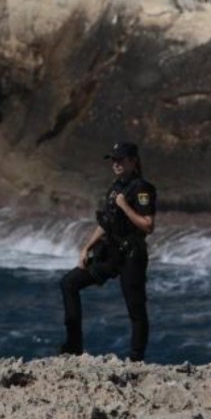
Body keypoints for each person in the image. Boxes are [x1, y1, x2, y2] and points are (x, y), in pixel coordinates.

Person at [60, 141, 157, 362]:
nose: (116, 164)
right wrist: (87, 247)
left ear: (133, 161)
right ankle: (73, 346)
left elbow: (148, 225)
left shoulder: (142, 189)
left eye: (121, 159)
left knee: (136, 308)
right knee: (69, 283)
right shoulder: (115, 188)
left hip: (132, 254)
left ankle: (136, 359)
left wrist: (125, 206)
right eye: (114, 160)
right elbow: (105, 223)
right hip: (111, 252)